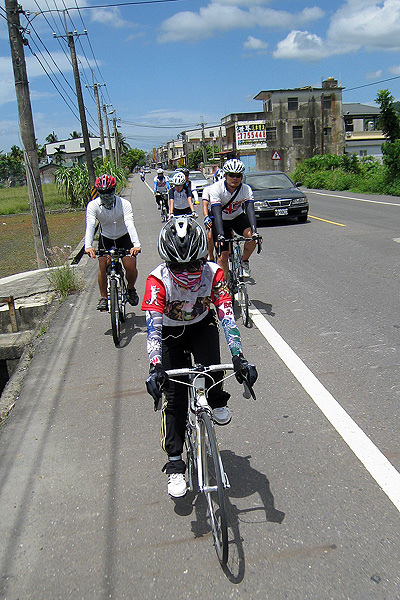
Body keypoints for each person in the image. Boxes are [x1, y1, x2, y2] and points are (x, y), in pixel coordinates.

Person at [142, 217, 258, 498]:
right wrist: (156, 366)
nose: (187, 271)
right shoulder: (157, 281)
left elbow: (227, 317)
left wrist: (239, 357)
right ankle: (175, 464)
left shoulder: (214, 274)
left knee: (214, 368)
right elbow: (153, 329)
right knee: (175, 399)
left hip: (201, 325)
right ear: (167, 262)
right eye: (179, 266)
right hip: (169, 335)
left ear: (204, 257)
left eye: (194, 264)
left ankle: (217, 399)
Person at [85, 174, 141, 311]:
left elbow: (129, 223)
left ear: (114, 190)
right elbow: (91, 225)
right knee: (103, 267)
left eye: (109, 191)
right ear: (98, 192)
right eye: (102, 192)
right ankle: (104, 297)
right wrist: (88, 246)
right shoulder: (93, 206)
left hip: (124, 237)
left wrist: (136, 244)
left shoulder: (124, 204)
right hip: (106, 239)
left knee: (130, 267)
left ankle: (130, 288)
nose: (106, 195)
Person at [209, 158, 260, 279]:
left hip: (237, 217)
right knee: (223, 255)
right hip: (221, 220)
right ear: (225, 176)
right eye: (231, 175)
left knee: (254, 238)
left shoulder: (246, 189)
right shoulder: (216, 188)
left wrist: (255, 231)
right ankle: (223, 287)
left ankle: (244, 262)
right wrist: (220, 235)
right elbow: (216, 213)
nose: (235, 178)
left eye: (238, 176)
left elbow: (250, 210)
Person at [202, 169, 224, 260]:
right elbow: (205, 205)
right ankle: (211, 256)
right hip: (213, 215)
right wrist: (206, 217)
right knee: (210, 236)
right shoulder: (208, 189)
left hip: (225, 214)